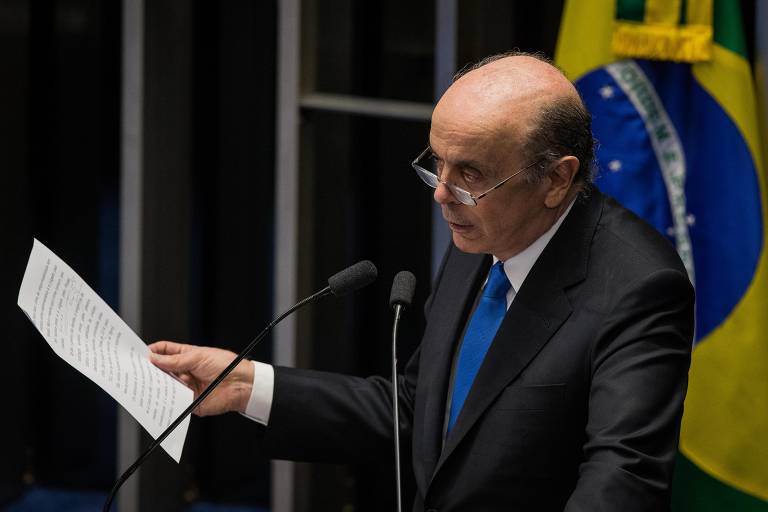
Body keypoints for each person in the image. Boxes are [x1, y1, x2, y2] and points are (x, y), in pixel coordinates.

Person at [149, 52, 694, 511]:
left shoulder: (639, 289)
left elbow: (622, 483)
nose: (441, 193)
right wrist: (245, 385)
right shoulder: (481, 234)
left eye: (470, 174)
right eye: (438, 163)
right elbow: (420, 412)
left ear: (555, 179)